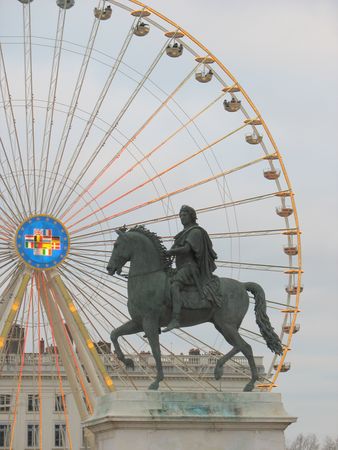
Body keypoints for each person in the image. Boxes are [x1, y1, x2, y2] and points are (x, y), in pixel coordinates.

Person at [163, 205, 219, 332]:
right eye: (180, 215)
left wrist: (170, 252)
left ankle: (176, 319)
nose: (182, 218)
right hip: (180, 268)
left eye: (184, 215)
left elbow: (187, 249)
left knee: (174, 286)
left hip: (189, 267)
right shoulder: (182, 234)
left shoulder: (195, 232)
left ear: (192, 216)